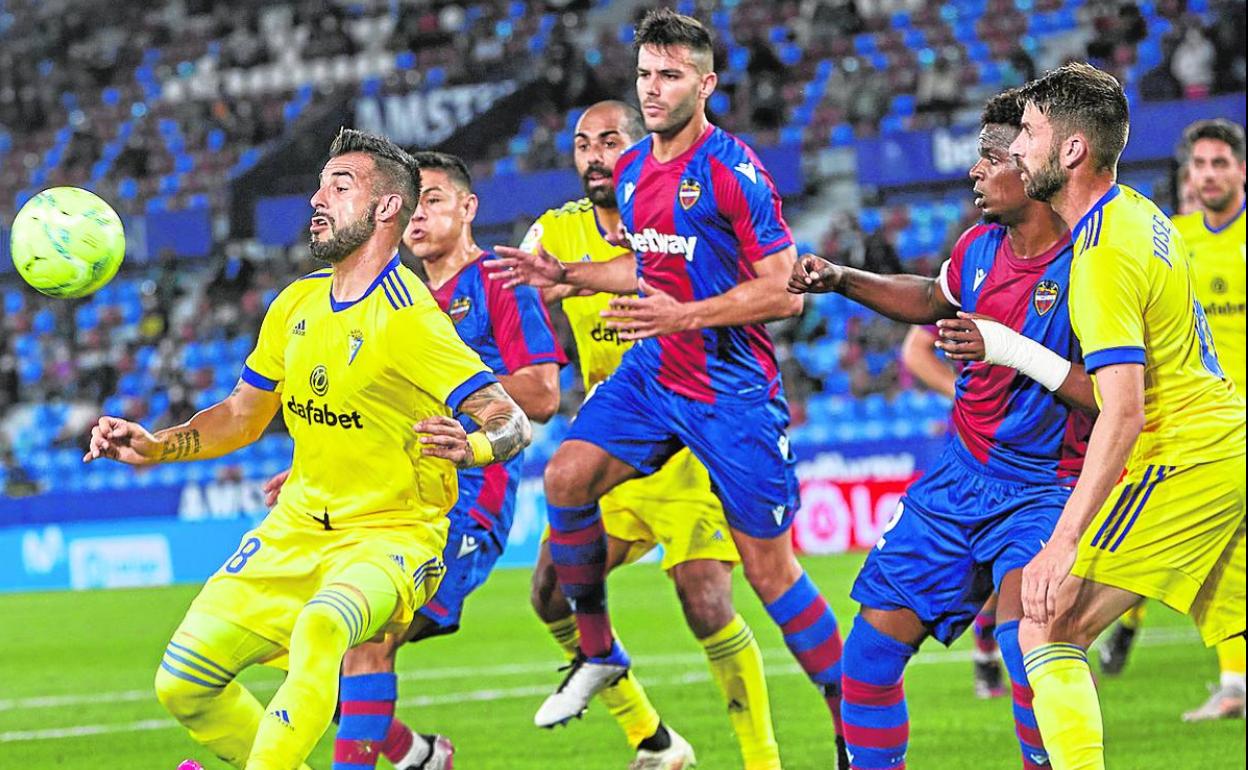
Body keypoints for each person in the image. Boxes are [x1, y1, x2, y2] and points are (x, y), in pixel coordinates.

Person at [84, 129, 531, 770]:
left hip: (391, 535)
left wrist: (475, 444)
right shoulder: (295, 303)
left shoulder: (409, 317)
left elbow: (509, 417)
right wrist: (158, 446)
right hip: (296, 528)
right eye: (320, 184)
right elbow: (241, 416)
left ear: (385, 210)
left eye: (339, 186)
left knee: (324, 626)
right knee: (180, 684)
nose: (317, 198)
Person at [490, 9, 848, 766]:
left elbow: (783, 292)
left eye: (671, 76)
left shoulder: (731, 170)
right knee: (566, 476)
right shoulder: (631, 172)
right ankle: (597, 653)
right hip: (657, 377)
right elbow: (650, 266)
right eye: (646, 75)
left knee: (769, 574)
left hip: (731, 390)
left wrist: (680, 315)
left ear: (706, 84)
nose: (653, 90)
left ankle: (857, 717)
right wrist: (572, 276)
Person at [790, 88, 1098, 770]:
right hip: (961, 476)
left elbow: (1111, 399)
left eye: (991, 157)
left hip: (1046, 489)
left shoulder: (1091, 265)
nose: (976, 171)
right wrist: (841, 278)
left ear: (1037, 163)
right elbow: (932, 298)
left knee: (1028, 651)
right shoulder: (980, 246)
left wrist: (1013, 350)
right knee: (865, 659)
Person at [499, 99, 780, 770]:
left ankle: (762, 760)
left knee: (705, 601)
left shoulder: (683, 215)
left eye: (610, 141)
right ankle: (655, 742)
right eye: (582, 144)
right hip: (609, 437)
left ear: (640, 146)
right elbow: (509, 298)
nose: (594, 155)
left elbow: (758, 289)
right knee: (548, 594)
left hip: (689, 434)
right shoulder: (557, 233)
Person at [262, 151, 566, 770]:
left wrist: (461, 405)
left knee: (364, 642)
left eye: (433, 200)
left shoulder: (494, 285)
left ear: (468, 207)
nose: (419, 215)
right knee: (329, 651)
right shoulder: (403, 298)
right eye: (413, 203)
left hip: (468, 498)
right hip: (393, 497)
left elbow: (542, 393)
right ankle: (421, 756)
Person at [1008, 62, 1245, 770]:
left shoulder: (1102, 254)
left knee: (1045, 623)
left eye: (1029, 131)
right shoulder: (1140, 214)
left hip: (1187, 457)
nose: (1017, 147)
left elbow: (1124, 411)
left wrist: (1062, 540)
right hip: (1225, 441)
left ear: (1073, 150)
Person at [1098, 119, 1247, 722]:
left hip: (1229, 431)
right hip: (1196, 427)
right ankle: (1234, 683)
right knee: (1224, 558)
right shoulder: (1174, 240)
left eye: (1220, 164)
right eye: (1199, 165)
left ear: (1241, 171)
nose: (1208, 175)